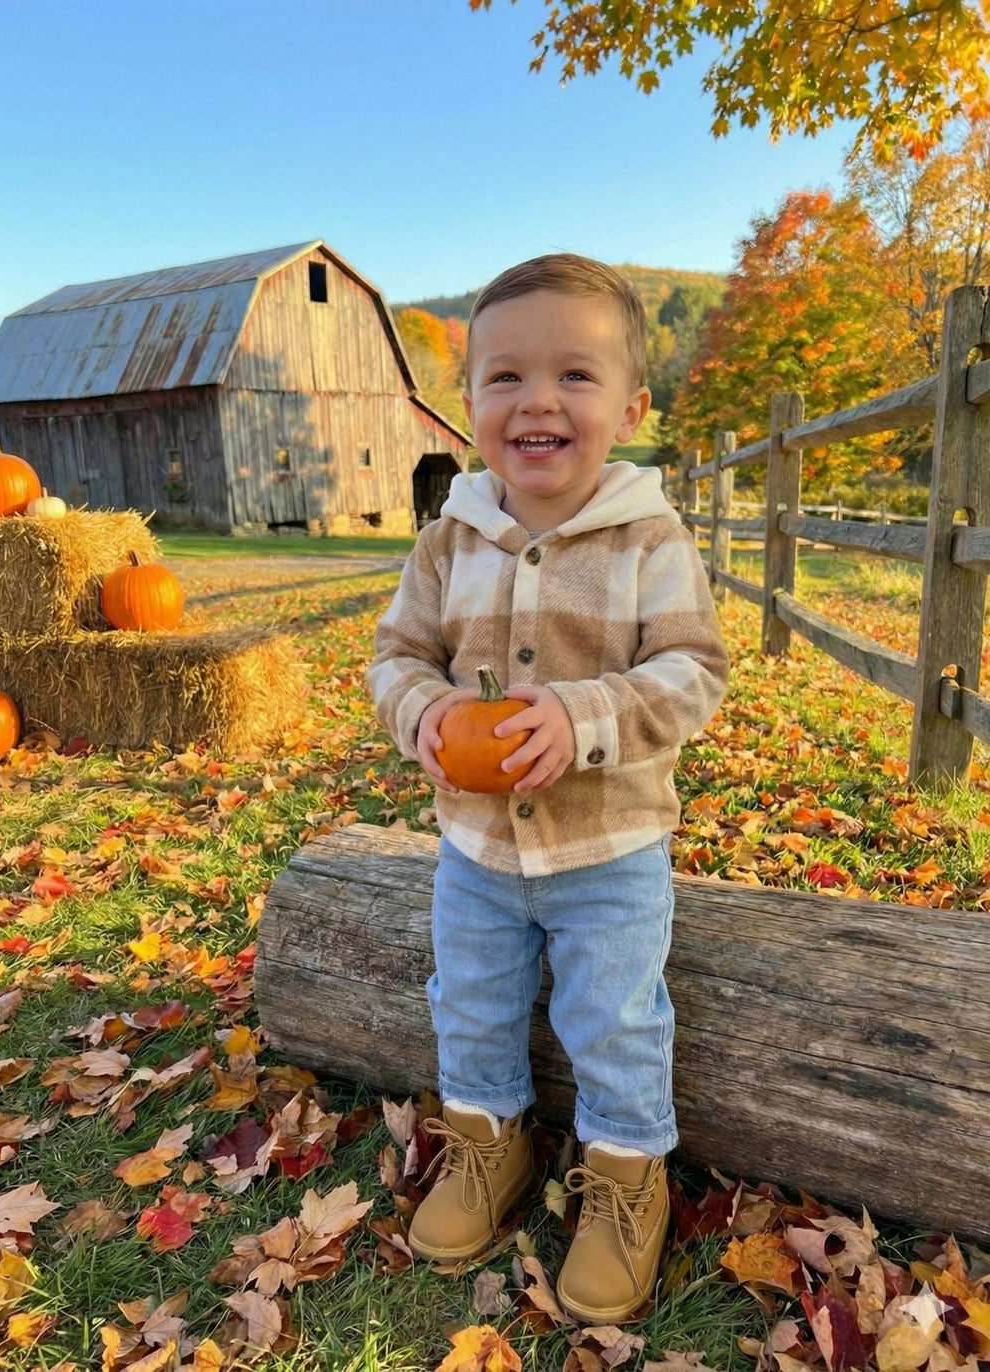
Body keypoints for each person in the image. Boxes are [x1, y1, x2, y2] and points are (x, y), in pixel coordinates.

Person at [367, 253, 728, 1323]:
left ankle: (624, 1179)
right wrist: (423, 711)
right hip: (475, 853)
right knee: (468, 1002)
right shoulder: (447, 542)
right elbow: (394, 657)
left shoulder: (647, 540)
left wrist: (586, 715)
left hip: (608, 852)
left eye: (575, 375)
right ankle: (488, 1146)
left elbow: (694, 670)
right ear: (469, 403)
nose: (537, 400)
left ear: (631, 404)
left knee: (614, 1018)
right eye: (504, 377)